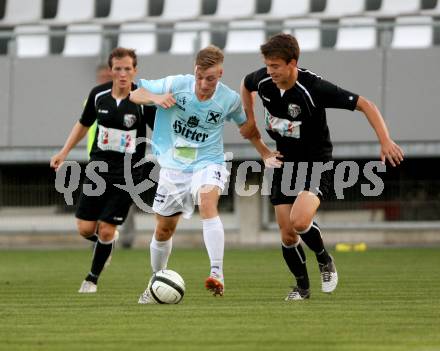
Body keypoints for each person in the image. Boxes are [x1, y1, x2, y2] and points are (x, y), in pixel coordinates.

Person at [241, 33, 404, 301]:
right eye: (268, 66)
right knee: (287, 234)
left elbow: (366, 104)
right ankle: (302, 288)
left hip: (316, 162)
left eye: (275, 66)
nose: (270, 72)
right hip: (283, 161)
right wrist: (250, 120)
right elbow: (246, 86)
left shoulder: (314, 88)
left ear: (292, 62)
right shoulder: (263, 80)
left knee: (300, 220)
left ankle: (324, 259)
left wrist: (385, 140)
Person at [130, 45, 278, 303]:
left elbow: (246, 127)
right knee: (164, 230)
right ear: (195, 70)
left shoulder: (228, 99)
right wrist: (155, 99)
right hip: (174, 167)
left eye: (210, 78)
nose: (203, 83)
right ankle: (156, 280)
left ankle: (216, 274)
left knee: (208, 203)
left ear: (219, 74)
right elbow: (135, 94)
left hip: (209, 162)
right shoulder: (177, 84)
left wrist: (265, 152)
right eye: (199, 76)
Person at [50, 47, 156, 293]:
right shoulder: (98, 95)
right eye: (117, 69)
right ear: (111, 70)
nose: (122, 73)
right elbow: (83, 124)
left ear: (134, 71)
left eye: (127, 69)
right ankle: (106, 243)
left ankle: (91, 279)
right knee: (85, 229)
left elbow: (159, 131)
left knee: (107, 228)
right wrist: (63, 152)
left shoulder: (142, 101)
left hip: (128, 174)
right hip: (98, 170)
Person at [87, 64, 113, 157]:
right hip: (94, 152)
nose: (105, 80)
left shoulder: (119, 100)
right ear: (98, 79)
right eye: (102, 77)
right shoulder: (90, 101)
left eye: (108, 77)